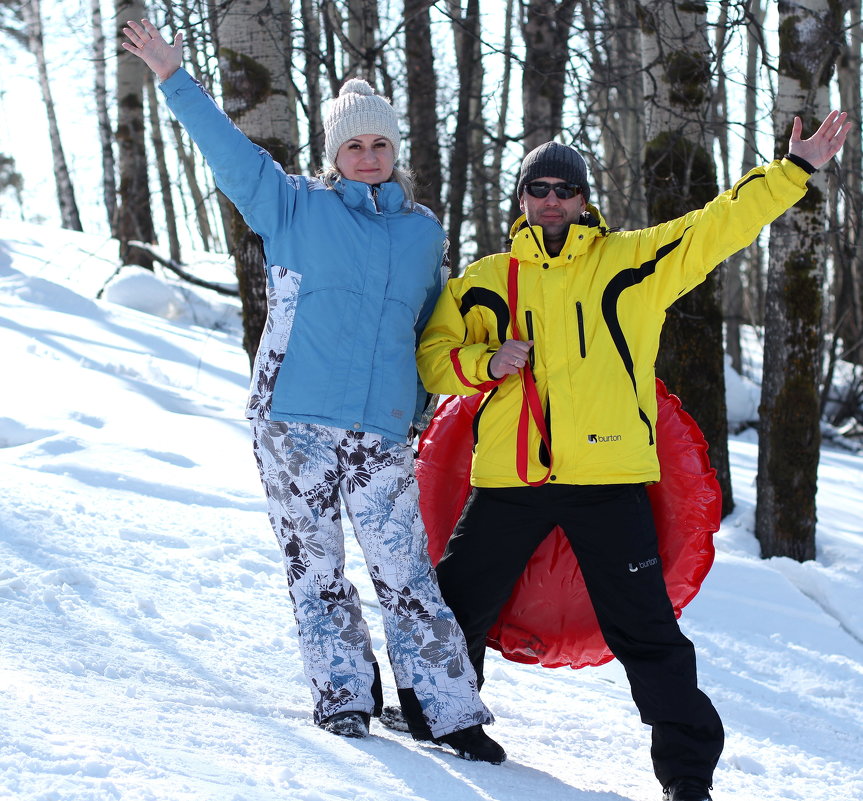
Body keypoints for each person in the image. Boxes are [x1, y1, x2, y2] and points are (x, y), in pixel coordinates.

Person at [415, 113, 849, 798]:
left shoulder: (630, 262)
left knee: (647, 633)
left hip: (607, 482)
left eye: (564, 187)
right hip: (509, 480)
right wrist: (485, 360)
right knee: (451, 606)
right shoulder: (484, 281)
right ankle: (440, 722)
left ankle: (686, 773)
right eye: (538, 187)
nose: (551, 199)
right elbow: (433, 360)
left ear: (585, 198)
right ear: (522, 198)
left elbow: (714, 226)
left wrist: (790, 172)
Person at [121, 19, 505, 764]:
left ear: (396, 151)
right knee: (316, 568)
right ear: (334, 155)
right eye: (354, 146)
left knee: (407, 574)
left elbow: (429, 334)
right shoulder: (292, 206)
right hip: (292, 422)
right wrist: (173, 75)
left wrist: (473, 371)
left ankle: (448, 710)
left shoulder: (422, 234)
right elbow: (227, 151)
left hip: (382, 432)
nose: (368, 157)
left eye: (380, 145)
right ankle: (344, 698)